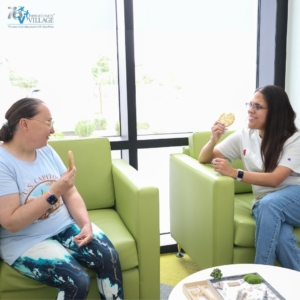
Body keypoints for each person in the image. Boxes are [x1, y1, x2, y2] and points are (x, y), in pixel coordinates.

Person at [0, 98, 124, 300]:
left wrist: (85, 224)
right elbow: (11, 223)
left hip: (64, 226)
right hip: (25, 241)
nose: (53, 130)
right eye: (48, 123)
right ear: (24, 124)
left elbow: (71, 192)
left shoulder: (46, 150)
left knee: (108, 256)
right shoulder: (3, 162)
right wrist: (54, 191)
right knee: (78, 281)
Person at [198, 85, 300, 271]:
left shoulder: (294, 139)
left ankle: (259, 276)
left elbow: (276, 179)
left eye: (258, 106)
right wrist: (214, 139)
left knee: (270, 204)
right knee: (282, 239)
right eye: (250, 104)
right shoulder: (245, 136)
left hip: (295, 197)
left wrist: (235, 173)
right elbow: (204, 158)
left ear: (275, 112)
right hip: (266, 202)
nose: (250, 110)